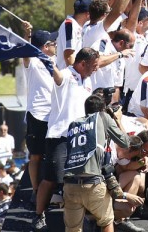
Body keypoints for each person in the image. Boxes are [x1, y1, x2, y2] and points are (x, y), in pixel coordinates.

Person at [33, 48, 100, 231]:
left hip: (80, 137)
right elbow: (57, 75)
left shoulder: (88, 80)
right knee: (51, 179)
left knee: (80, 179)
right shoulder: (65, 75)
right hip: (59, 136)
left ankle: (82, 218)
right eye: (94, 65)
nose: (96, 68)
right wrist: (49, 63)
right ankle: (38, 215)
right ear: (83, 63)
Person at [62, 94, 138, 232]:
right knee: (106, 221)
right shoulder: (102, 117)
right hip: (93, 184)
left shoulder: (74, 124)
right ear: (102, 110)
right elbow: (126, 142)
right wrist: (116, 119)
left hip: (70, 185)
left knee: (73, 228)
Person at [22, 28, 57, 199]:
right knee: (36, 155)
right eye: (52, 43)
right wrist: (27, 34)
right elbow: (25, 52)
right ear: (44, 46)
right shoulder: (33, 62)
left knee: (53, 154)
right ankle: (35, 190)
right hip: (37, 113)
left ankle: (52, 188)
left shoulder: (55, 61)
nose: (55, 44)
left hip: (55, 113)